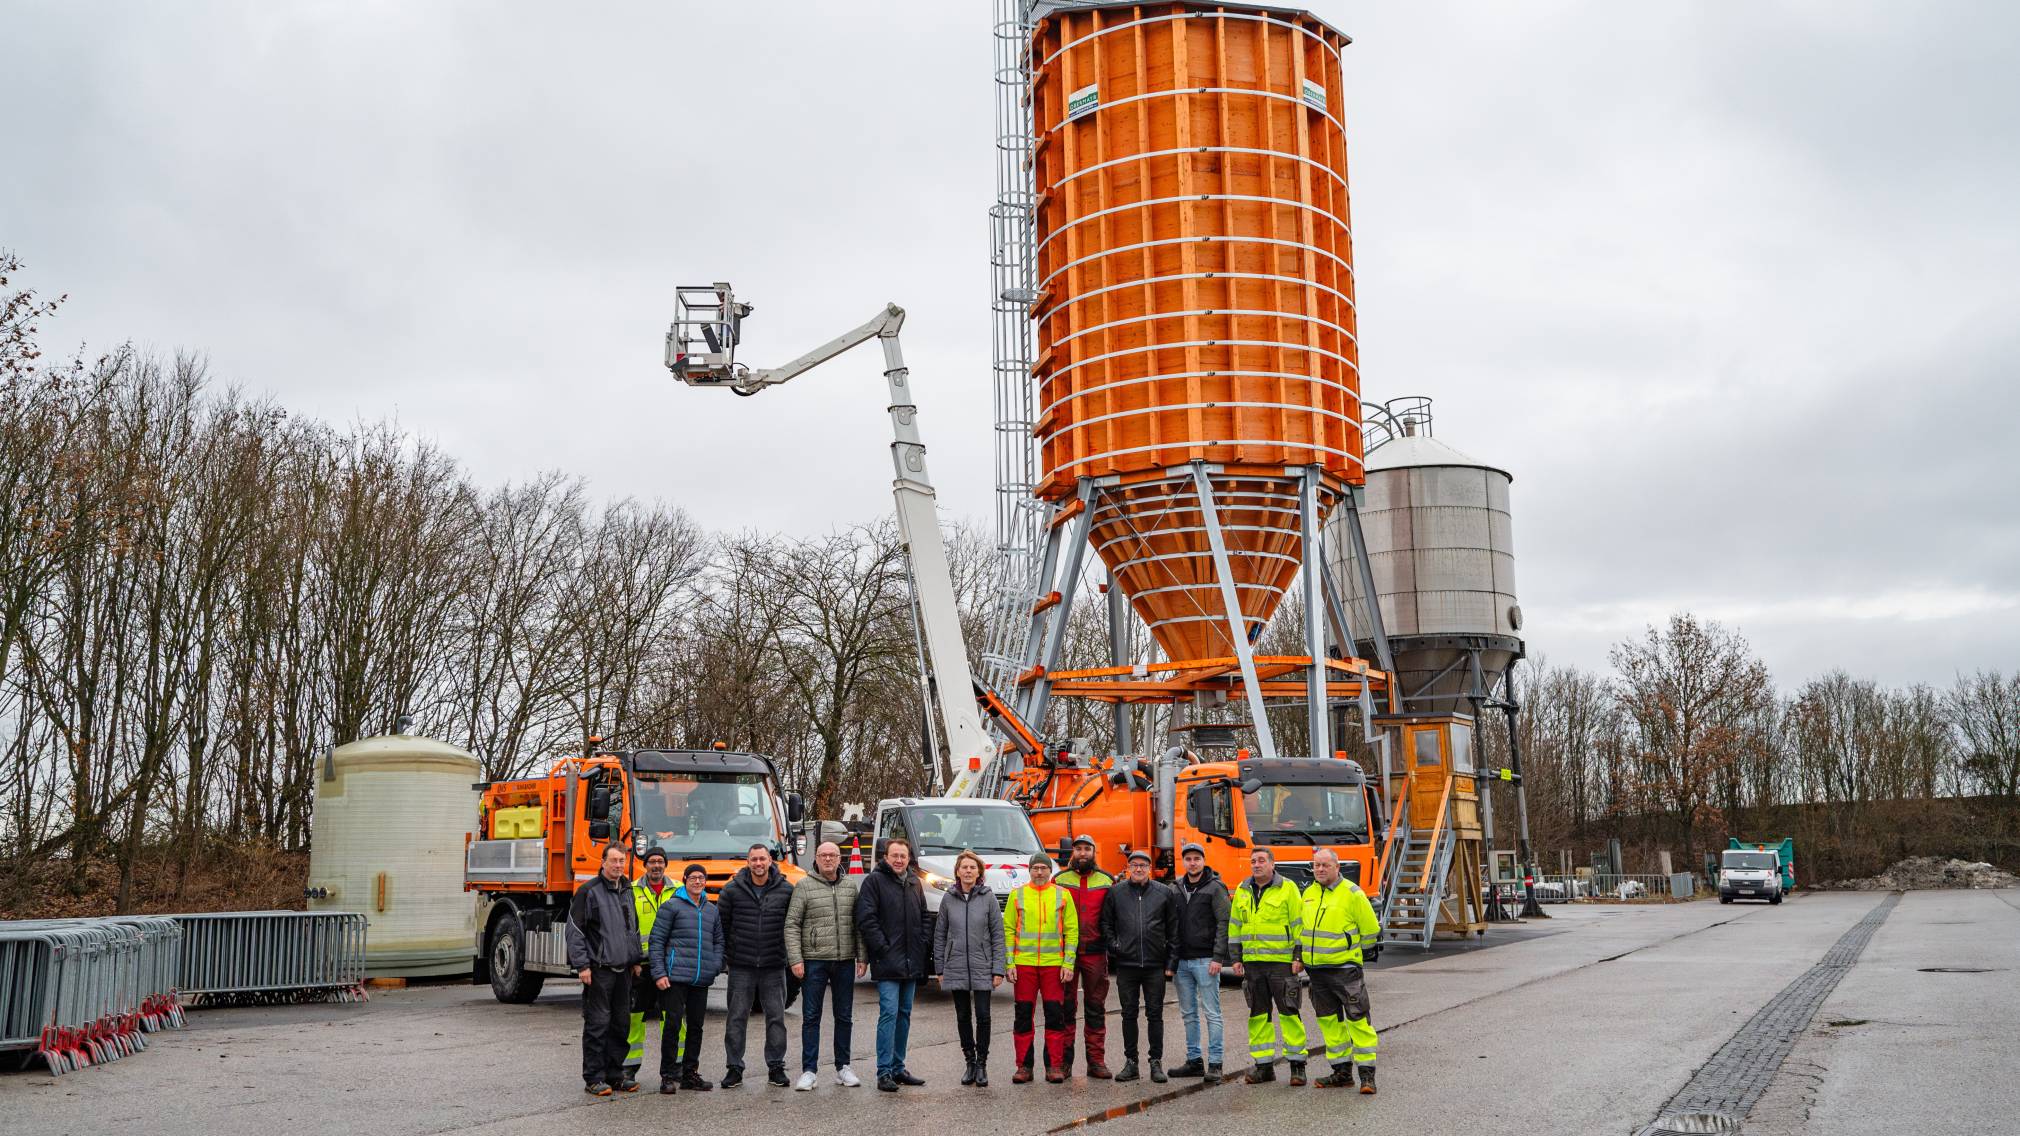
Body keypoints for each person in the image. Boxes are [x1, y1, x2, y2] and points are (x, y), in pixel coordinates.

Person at [786, 840, 868, 1090]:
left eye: (833, 855)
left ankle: (843, 1067)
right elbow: (792, 924)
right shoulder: (804, 886)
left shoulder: (850, 887)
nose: (829, 860)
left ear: (839, 858)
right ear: (816, 858)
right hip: (814, 961)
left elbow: (858, 925)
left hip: (844, 961)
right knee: (811, 1016)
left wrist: (862, 957)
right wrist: (796, 959)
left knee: (844, 1016)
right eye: (824, 855)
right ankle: (809, 1071)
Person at [1300, 848, 1382, 1093]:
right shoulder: (1309, 893)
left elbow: (1370, 931)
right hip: (1316, 972)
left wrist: (1354, 956)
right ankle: (1341, 1073)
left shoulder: (1353, 893)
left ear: (1337, 867)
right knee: (1330, 1024)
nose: (1320, 869)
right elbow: (1302, 930)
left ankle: (1367, 1076)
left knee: (1358, 1020)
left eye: (1325, 865)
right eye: (1316, 865)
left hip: (1345, 970)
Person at [566, 843, 643, 1096]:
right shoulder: (588, 892)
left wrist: (635, 959)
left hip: (624, 971)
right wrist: (582, 965)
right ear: (603, 862)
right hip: (599, 970)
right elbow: (575, 931)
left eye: (622, 860)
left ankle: (615, 1074)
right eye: (614, 860)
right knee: (598, 1025)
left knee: (621, 1024)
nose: (618, 865)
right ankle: (594, 1078)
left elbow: (633, 927)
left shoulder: (628, 890)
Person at [855, 836, 929, 1092]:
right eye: (894, 855)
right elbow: (866, 919)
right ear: (886, 858)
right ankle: (883, 1071)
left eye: (903, 856)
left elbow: (922, 917)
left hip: (911, 962)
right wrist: (883, 948)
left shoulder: (914, 882)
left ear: (909, 859)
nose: (899, 860)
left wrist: (922, 943)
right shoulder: (874, 882)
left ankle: (898, 1068)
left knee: (904, 1015)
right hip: (888, 962)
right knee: (888, 1014)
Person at [716, 843, 793, 1088]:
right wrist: (728, 957)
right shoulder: (731, 891)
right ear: (748, 862)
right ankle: (734, 1068)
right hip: (741, 966)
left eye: (762, 859)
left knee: (776, 1018)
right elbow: (722, 927)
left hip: (774, 964)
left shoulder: (786, 890)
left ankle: (776, 1067)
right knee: (736, 1017)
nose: (758, 864)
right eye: (753, 860)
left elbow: (793, 926)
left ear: (770, 860)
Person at [1099, 848, 1179, 1083]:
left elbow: (1173, 929)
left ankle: (1156, 1062)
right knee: (1128, 1014)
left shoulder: (1164, 892)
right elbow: (1106, 923)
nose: (1138, 869)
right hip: (1127, 964)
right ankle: (1131, 1062)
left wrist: (1170, 961)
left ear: (1150, 869)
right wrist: (1115, 946)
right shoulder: (1116, 893)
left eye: (1143, 865)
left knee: (1155, 1014)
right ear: (1128, 868)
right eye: (1134, 865)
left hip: (1154, 964)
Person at [1230, 846, 1307, 1086]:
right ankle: (1263, 1067)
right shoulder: (1242, 890)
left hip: (1281, 964)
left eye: (1262, 860)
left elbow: (1299, 924)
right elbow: (1235, 927)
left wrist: (1298, 956)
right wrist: (1236, 957)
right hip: (1253, 965)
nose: (1256, 864)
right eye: (1253, 861)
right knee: (1258, 1016)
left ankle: (1297, 1067)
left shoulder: (1288, 888)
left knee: (1289, 1014)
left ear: (1272, 864)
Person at [649, 863, 725, 1094]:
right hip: (675, 978)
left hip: (700, 979)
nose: (697, 882)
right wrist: (659, 973)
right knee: (672, 1025)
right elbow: (656, 941)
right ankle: (668, 1075)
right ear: (684, 880)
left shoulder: (711, 910)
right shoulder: (671, 906)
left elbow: (719, 941)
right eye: (693, 878)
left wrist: (714, 966)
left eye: (701, 878)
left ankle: (690, 1073)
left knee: (696, 1027)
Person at [933, 848, 1006, 1087]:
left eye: (972, 867)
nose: (968, 871)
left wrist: (998, 969)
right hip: (955, 965)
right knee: (963, 1016)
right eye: (964, 867)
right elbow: (940, 935)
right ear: (957, 871)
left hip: (983, 965)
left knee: (983, 1016)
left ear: (979, 872)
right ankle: (970, 1063)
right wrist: (940, 969)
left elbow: (998, 935)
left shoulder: (988, 898)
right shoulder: (948, 898)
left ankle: (983, 1064)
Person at [1006, 850, 1078, 1084]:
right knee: (1023, 1016)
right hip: (1024, 966)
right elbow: (1007, 930)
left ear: (1050, 870)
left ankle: (1054, 1066)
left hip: (1053, 966)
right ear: (1029, 870)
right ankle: (1024, 1067)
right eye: (1035, 868)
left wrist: (1068, 962)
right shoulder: (1016, 895)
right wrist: (1010, 962)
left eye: (1043, 868)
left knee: (1055, 1016)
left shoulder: (1063, 895)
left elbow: (1071, 931)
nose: (1039, 872)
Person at [1054, 834, 1114, 1078]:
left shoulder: (1107, 880)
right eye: (1078, 849)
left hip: (1096, 953)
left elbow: (1113, 917)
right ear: (1073, 852)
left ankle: (1096, 1062)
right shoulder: (1059, 880)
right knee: (1066, 1008)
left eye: (1087, 849)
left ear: (1093, 852)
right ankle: (1065, 1062)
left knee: (1095, 1007)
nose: (1082, 853)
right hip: (1066, 954)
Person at [1170, 841, 1231, 1079]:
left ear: (1203, 860)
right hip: (1182, 963)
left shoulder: (1215, 888)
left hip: (1206, 961)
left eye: (1196, 858)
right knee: (1188, 1013)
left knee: (1212, 1013)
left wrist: (1218, 957)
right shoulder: (1176, 888)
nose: (1192, 863)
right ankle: (1194, 1060)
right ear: (1183, 862)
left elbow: (1224, 923)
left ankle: (1215, 1063)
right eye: (1188, 859)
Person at [624, 848, 678, 1087]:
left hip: (670, 965)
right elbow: (626, 927)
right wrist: (632, 959)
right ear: (645, 865)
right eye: (652, 862)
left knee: (674, 1017)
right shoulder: (631, 890)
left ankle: (675, 1066)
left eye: (660, 862)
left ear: (665, 865)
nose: (656, 866)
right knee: (635, 1016)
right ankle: (628, 1066)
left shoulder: (678, 890)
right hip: (641, 966)